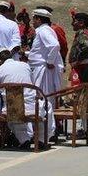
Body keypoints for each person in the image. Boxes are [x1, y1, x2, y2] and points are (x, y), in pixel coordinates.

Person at [0, 47, 53, 148]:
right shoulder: (25, 66)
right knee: (48, 107)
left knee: (12, 110)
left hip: (14, 109)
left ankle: (24, 140)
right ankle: (42, 140)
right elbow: (33, 84)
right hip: (33, 107)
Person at [27, 9, 64, 140]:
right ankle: (46, 133)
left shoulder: (43, 31)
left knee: (43, 101)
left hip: (43, 70)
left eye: (34, 19)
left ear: (39, 19)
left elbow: (54, 46)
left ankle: (47, 133)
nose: (32, 22)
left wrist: (49, 61)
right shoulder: (45, 30)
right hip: (40, 67)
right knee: (44, 101)